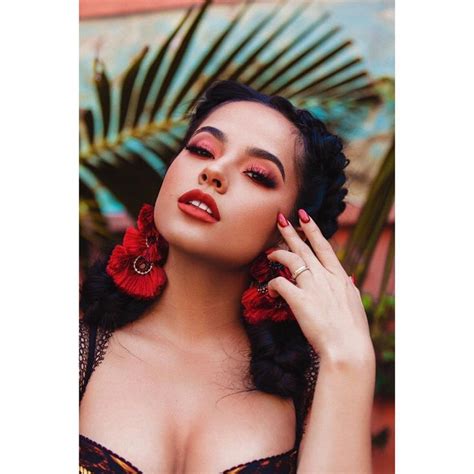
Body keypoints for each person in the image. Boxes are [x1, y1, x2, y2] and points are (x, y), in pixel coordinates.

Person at [79, 79, 376, 473]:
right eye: (202, 150)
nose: (214, 171)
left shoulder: (314, 382)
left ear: (289, 231)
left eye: (257, 174)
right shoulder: (76, 346)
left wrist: (350, 361)